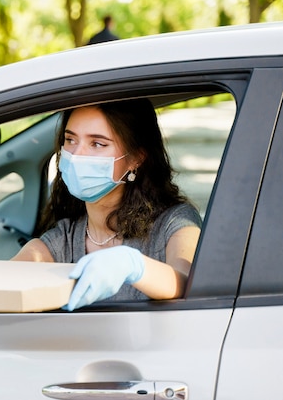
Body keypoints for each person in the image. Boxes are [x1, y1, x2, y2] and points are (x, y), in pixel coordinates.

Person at [11, 98, 202, 310]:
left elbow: (188, 280)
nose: (76, 155)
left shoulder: (175, 222)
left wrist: (134, 266)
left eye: (97, 144)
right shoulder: (62, 239)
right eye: (70, 140)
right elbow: (1, 285)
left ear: (136, 159)